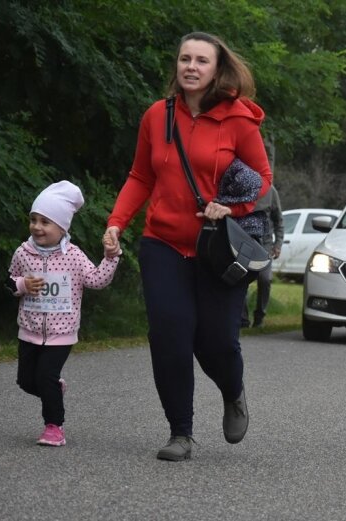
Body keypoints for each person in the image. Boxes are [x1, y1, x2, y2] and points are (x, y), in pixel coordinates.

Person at [103, 32, 272, 461]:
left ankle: (233, 391)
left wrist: (231, 207)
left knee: (216, 341)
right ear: (176, 66)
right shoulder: (156, 116)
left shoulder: (238, 119)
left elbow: (261, 178)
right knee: (170, 335)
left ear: (218, 69)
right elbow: (141, 176)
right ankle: (181, 432)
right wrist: (117, 223)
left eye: (201, 60)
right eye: (184, 59)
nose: (191, 67)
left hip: (217, 248)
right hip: (162, 242)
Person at [7, 181, 121, 446]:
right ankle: (54, 390)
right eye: (33, 219)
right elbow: (10, 279)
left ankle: (54, 426)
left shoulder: (74, 256)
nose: (37, 226)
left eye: (45, 222)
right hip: (29, 329)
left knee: (45, 375)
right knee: (26, 381)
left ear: (62, 228)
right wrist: (22, 285)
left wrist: (111, 257)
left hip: (61, 333)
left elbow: (96, 280)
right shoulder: (23, 253)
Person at [241, 185, 284, 328]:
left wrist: (277, 244)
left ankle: (259, 317)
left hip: (265, 244)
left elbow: (278, 221)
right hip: (244, 241)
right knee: (241, 279)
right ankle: (243, 319)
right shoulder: (243, 185)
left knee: (265, 279)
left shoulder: (271, 191)